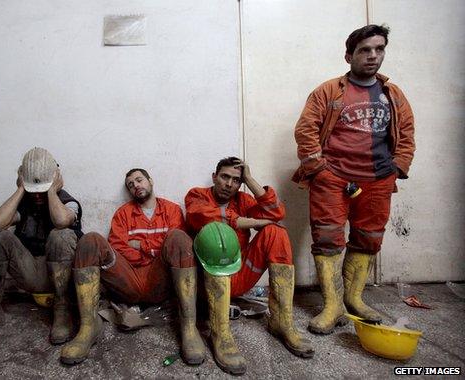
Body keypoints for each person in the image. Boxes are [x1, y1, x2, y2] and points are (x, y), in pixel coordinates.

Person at [293, 24, 415, 334]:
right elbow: (306, 130)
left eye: (379, 49)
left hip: (378, 179)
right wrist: (319, 169)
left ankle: (353, 298)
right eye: (365, 50)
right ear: (349, 55)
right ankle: (332, 306)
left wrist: (398, 166)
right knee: (327, 239)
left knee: (369, 238)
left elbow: (407, 132)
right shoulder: (329, 91)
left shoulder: (393, 94)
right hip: (332, 178)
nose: (373, 56)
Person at [59, 168, 207, 367]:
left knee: (179, 239)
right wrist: (155, 248)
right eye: (131, 184)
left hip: (159, 280)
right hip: (127, 279)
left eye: (139, 180)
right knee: (90, 240)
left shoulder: (171, 210)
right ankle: (88, 327)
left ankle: (189, 328)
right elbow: (118, 246)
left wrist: (140, 244)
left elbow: (174, 245)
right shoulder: (123, 214)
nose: (136, 185)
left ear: (150, 181)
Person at [184, 157, 314, 374]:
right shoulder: (197, 195)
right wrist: (255, 222)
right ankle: (220, 333)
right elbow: (206, 217)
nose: (229, 184)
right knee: (218, 240)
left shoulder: (243, 199)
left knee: (276, 232)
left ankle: (282, 322)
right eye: (225, 177)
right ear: (214, 177)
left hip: (238, 275)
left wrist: (250, 180)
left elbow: (276, 213)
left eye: (236, 180)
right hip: (207, 280)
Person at [0, 147, 83, 347]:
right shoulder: (25, 204)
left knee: (62, 234)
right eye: (35, 190)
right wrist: (21, 189)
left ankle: (62, 311)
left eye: (42, 190)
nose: (38, 195)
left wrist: (51, 191)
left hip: (60, 279)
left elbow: (61, 220)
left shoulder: (69, 202)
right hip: (30, 272)